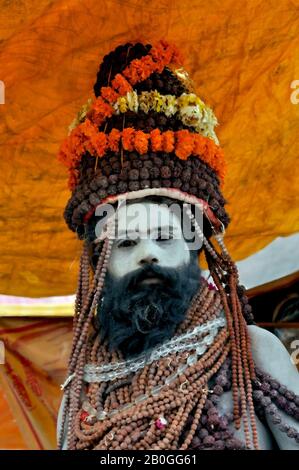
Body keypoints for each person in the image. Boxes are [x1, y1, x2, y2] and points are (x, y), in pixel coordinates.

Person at [57, 40, 299, 450]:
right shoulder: (82, 387)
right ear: (100, 264)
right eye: (127, 241)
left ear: (193, 249)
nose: (147, 253)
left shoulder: (253, 353)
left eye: (165, 238)